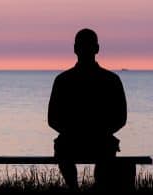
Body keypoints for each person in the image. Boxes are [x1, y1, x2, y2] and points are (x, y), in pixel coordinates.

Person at [48, 28, 127, 190]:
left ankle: (75, 188)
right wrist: (100, 131)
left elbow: (53, 119)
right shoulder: (111, 79)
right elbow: (120, 118)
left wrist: (73, 131)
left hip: (74, 142)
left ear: (75, 49)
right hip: (99, 141)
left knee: (64, 149)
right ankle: (92, 187)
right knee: (104, 149)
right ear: (97, 49)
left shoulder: (63, 80)